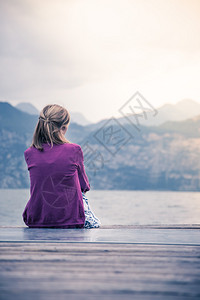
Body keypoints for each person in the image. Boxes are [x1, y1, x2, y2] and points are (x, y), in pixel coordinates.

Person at [22, 104, 101, 229]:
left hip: (36, 219)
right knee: (82, 197)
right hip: (70, 220)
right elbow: (84, 186)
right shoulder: (74, 150)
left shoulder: (29, 153)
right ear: (63, 127)